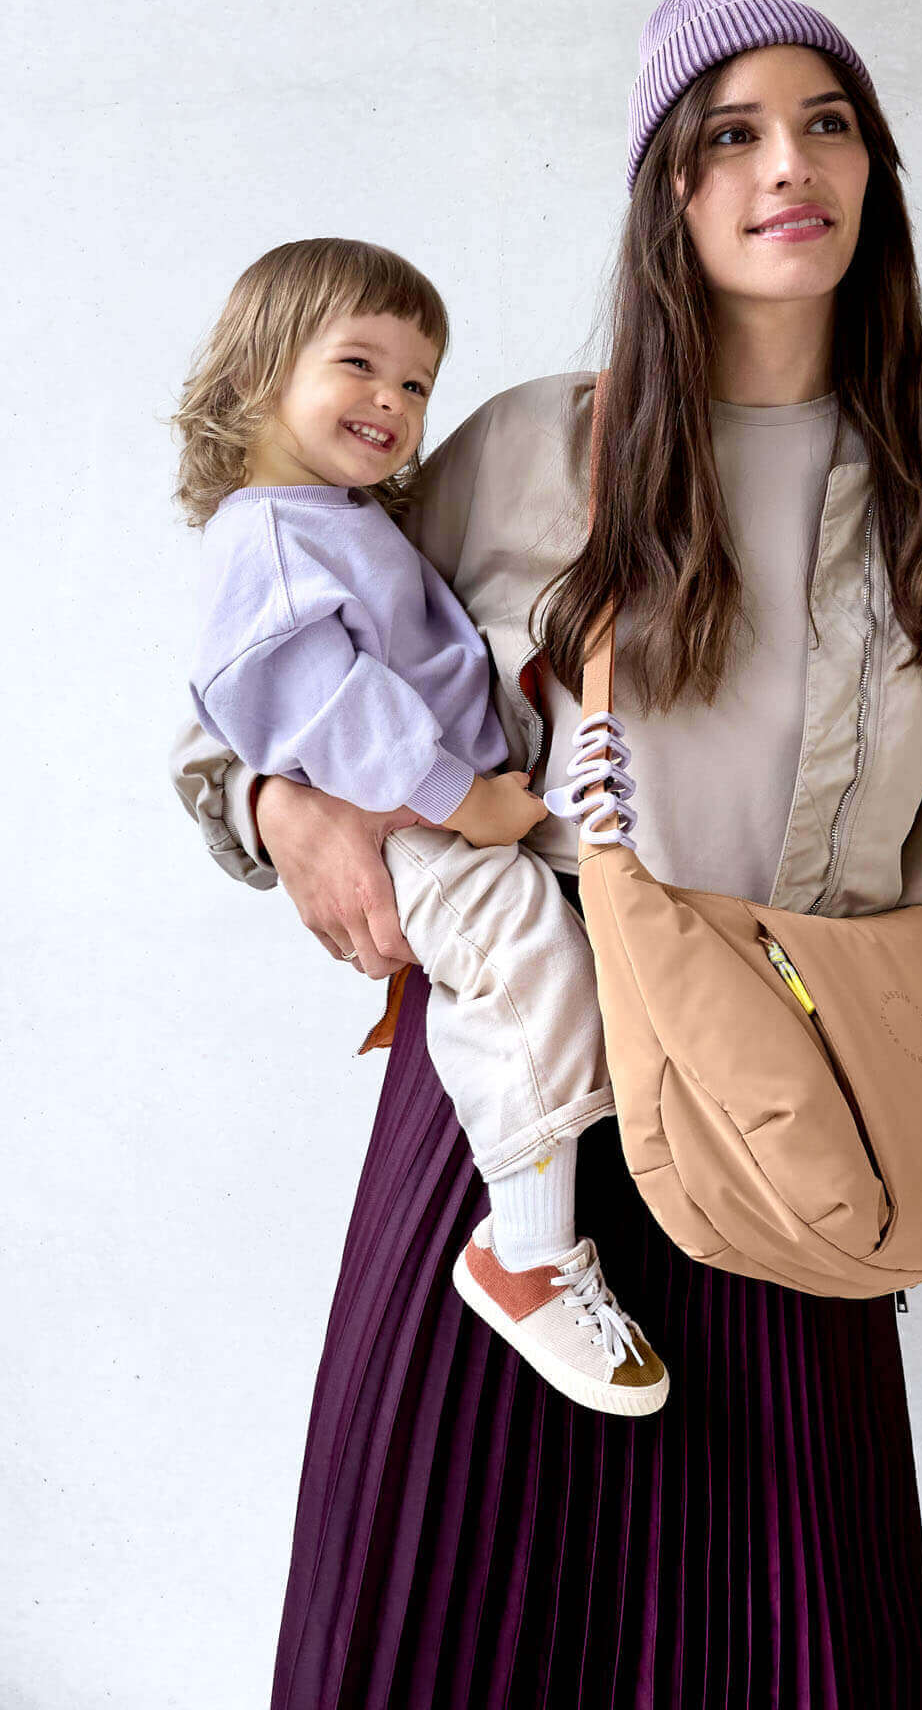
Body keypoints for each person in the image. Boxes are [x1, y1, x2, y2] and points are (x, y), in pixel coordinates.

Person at [169, 0, 922, 1707]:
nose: (788, 166)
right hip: (511, 1144)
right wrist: (273, 807)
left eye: (827, 124)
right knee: (436, 1638)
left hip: (796, 1121)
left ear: (876, 173)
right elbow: (259, 660)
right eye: (731, 134)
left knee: (788, 1650)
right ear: (666, 190)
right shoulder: (528, 448)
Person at [171, 236, 667, 1418]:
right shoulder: (271, 537)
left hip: (456, 809)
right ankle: (527, 1252)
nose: (393, 401)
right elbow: (334, 713)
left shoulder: (337, 518)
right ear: (257, 371)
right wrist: (465, 798)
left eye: (415, 382)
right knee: (528, 970)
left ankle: (536, 1234)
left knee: (540, 971)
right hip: (420, 826)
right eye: (360, 364)